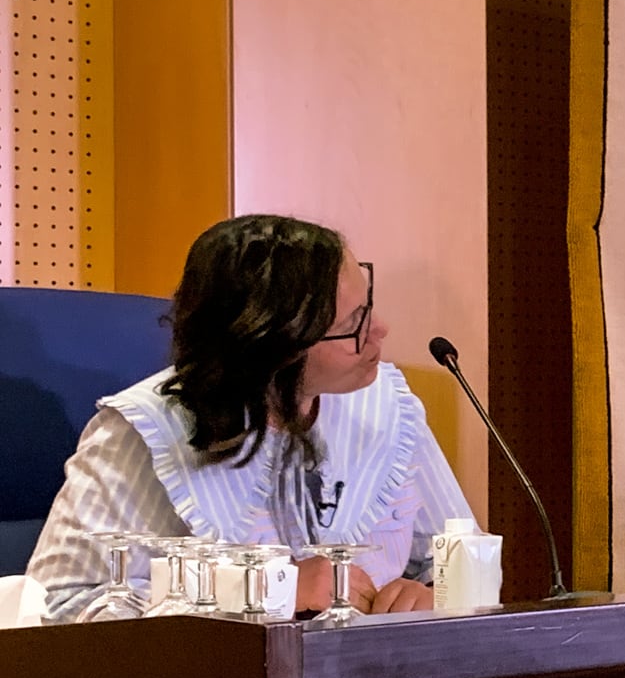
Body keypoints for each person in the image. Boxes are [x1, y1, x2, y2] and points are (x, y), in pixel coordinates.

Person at [30, 214, 471, 622]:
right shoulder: (144, 432)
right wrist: (267, 590)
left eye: (367, 306)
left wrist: (433, 596)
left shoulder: (388, 406)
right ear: (275, 346)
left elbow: (458, 559)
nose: (379, 329)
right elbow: (57, 605)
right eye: (353, 322)